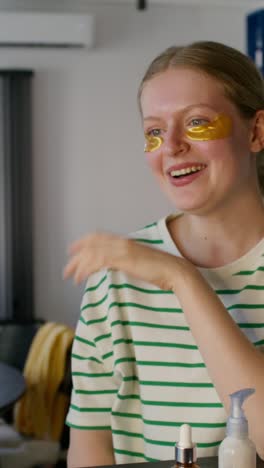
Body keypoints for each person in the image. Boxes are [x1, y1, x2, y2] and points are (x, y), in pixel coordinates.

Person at [64, 41, 264, 468]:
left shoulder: (145, 265)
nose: (170, 146)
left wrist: (182, 279)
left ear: (256, 132)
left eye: (196, 122)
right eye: (154, 131)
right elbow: (89, 444)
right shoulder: (115, 277)